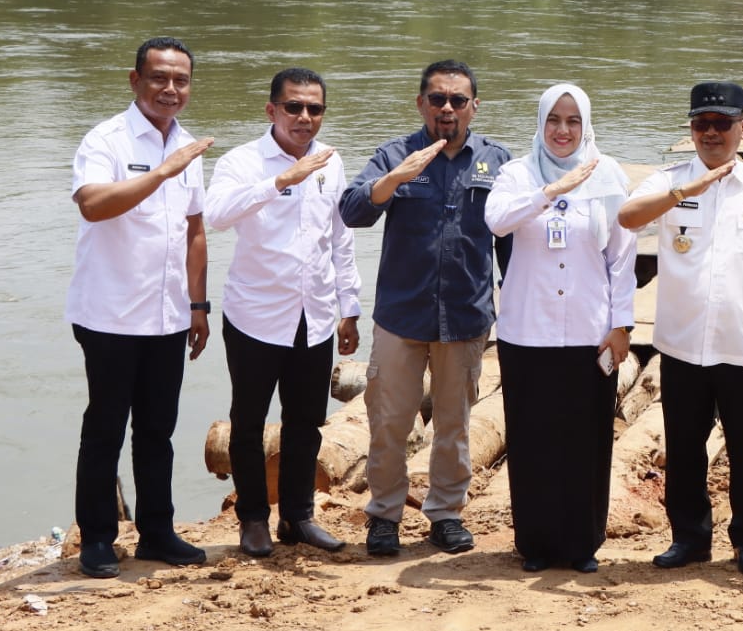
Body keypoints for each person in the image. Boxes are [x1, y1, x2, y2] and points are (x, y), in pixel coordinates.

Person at [619, 82, 743, 576]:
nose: (712, 133)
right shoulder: (669, 181)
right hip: (682, 340)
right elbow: (628, 218)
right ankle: (690, 538)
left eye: (722, 123)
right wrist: (683, 192)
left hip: (742, 340)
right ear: (690, 129)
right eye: (702, 124)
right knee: (685, 444)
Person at [339, 60, 511, 557]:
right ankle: (385, 516)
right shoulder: (395, 153)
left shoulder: (497, 161)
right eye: (437, 99)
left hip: (465, 316)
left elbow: (511, 242)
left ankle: (445, 514)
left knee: (454, 424)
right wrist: (393, 179)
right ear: (421, 104)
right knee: (390, 422)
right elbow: (353, 211)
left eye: (459, 100)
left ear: (474, 106)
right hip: (401, 316)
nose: (448, 109)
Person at [64, 36, 214, 579]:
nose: (170, 89)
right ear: (135, 81)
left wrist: (198, 303)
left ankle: (156, 532)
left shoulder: (189, 145)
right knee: (104, 428)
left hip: (169, 313)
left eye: (180, 80)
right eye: (159, 78)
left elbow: (195, 228)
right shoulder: (105, 139)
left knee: (157, 429)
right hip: (109, 313)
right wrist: (159, 173)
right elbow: (93, 205)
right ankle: (98, 539)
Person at [205, 68, 362, 558]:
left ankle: (298, 516)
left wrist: (349, 307)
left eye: (314, 108)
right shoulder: (242, 161)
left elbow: (340, 237)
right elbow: (215, 215)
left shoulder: (330, 162)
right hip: (255, 313)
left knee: (306, 421)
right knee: (248, 422)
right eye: (293, 107)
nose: (304, 117)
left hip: (313, 314)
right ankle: (253, 519)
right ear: (271, 110)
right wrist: (277, 182)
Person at [484, 84, 636, 574]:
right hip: (528, 331)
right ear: (541, 123)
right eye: (554, 120)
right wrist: (551, 191)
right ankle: (536, 543)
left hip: (590, 330)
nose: (563, 130)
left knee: (587, 438)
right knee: (533, 438)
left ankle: (582, 543)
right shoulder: (516, 173)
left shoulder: (609, 175)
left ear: (586, 125)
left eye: (573, 121)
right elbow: (497, 221)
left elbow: (622, 258)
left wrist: (622, 325)